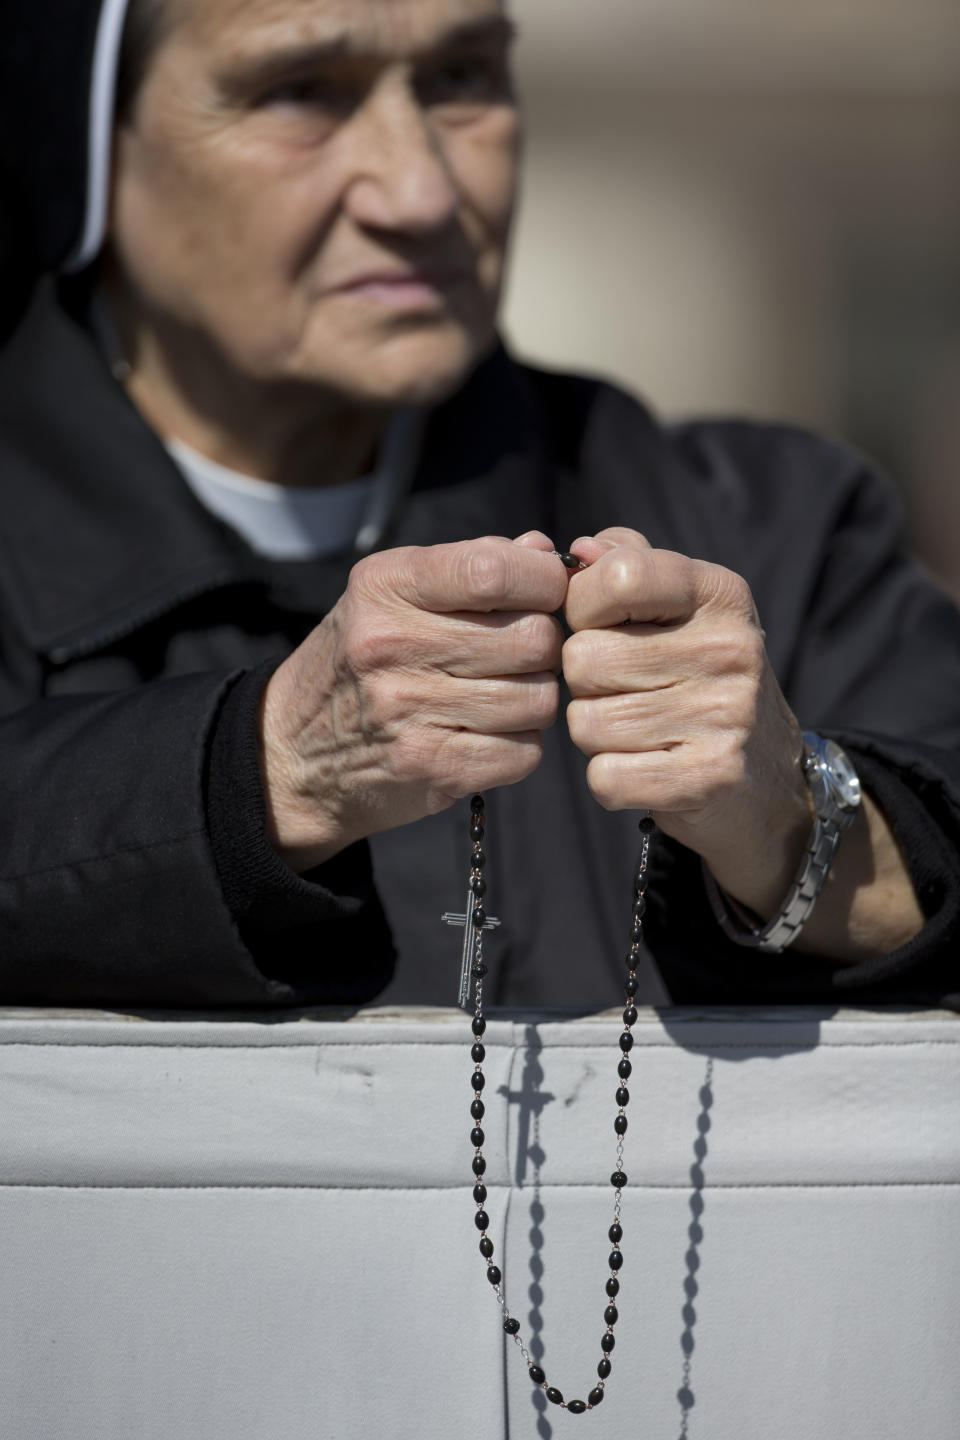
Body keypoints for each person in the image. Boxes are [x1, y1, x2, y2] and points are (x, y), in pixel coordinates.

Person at [1, 0, 958, 1012]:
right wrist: (253, 777)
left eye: (461, 77)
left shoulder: (775, 533)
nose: (419, 191)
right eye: (297, 93)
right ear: (83, 142)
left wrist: (788, 819)